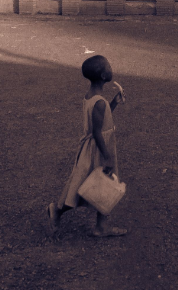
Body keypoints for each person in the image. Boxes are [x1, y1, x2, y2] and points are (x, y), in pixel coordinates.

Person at [48, 54, 127, 237]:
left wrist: (114, 102)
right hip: (98, 149)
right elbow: (98, 132)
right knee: (84, 187)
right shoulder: (99, 102)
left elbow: (100, 119)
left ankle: (101, 226)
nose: (111, 69)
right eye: (108, 66)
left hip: (95, 147)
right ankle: (57, 211)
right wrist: (107, 156)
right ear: (102, 76)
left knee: (102, 185)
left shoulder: (94, 97)